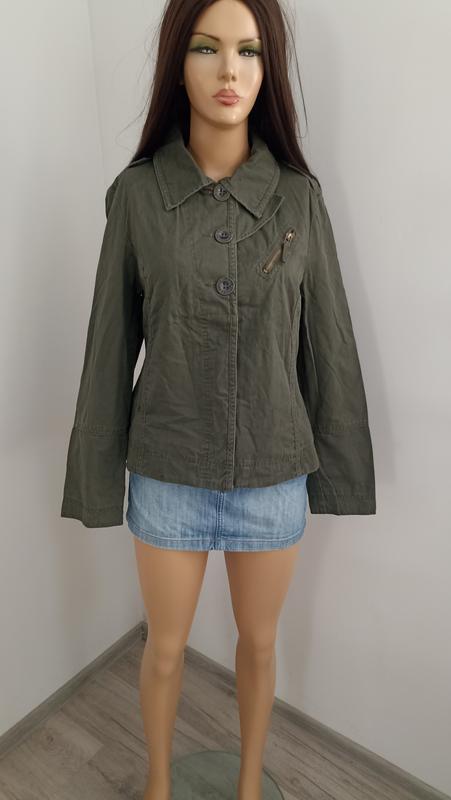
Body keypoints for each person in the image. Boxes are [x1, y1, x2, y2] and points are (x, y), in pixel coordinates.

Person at [61, 1, 376, 798]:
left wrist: (338, 471)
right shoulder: (137, 197)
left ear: (269, 69)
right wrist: (96, 481)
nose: (229, 70)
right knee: (165, 650)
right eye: (206, 48)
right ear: (178, 62)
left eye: (249, 51)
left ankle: (246, 788)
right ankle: (158, 787)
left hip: (273, 474)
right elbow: (107, 351)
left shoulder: (298, 199)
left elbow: (328, 344)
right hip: (166, 471)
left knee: (259, 646)